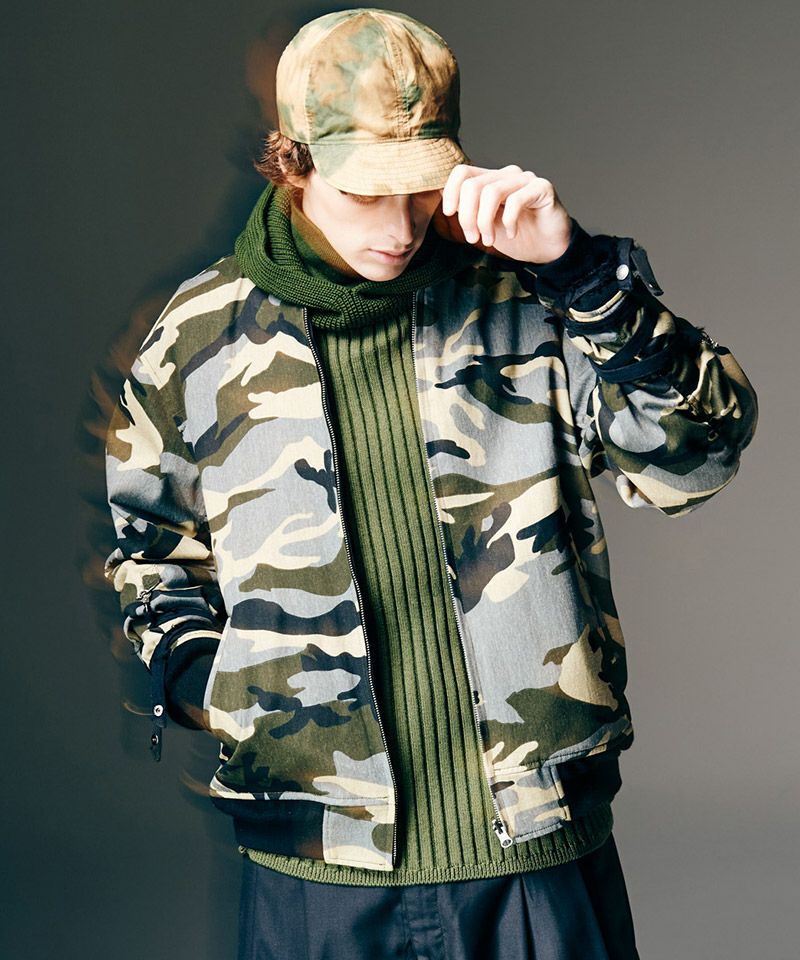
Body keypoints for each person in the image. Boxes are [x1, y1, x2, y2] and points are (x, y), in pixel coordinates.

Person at [103, 8, 758, 959]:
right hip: (314, 860)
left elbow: (697, 458)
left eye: (420, 188)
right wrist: (223, 686)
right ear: (292, 162)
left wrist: (583, 273)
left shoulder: (531, 298)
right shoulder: (199, 336)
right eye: (365, 190)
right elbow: (147, 549)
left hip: (535, 843)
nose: (399, 226)